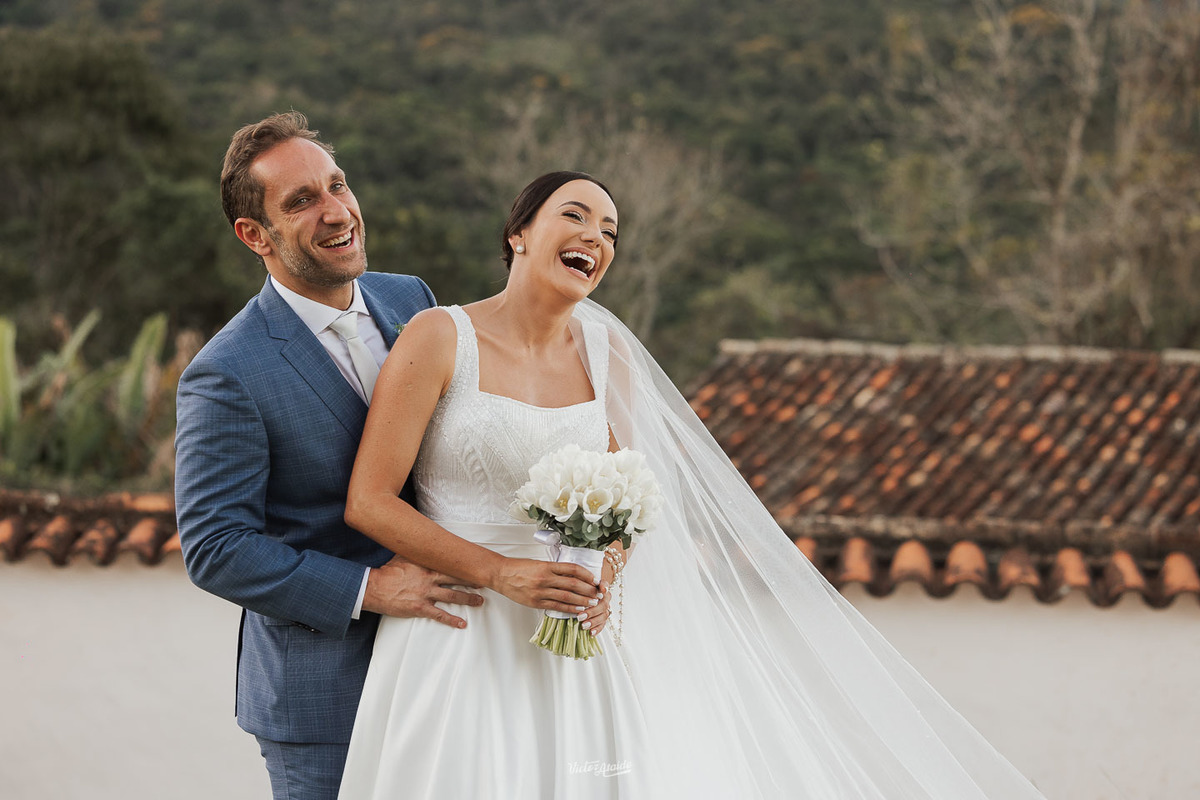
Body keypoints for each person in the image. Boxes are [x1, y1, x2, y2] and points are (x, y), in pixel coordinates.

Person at [336, 172, 1048, 798]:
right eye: (575, 215)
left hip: (572, 641)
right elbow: (369, 501)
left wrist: (604, 573)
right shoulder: (438, 336)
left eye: (610, 232)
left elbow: (624, 504)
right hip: (457, 630)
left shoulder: (608, 353)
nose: (595, 237)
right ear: (518, 234)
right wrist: (500, 572)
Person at [173, 114, 611, 799]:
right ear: (254, 235)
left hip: (462, 661)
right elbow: (215, 548)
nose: (336, 211)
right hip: (326, 688)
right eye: (301, 201)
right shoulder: (227, 372)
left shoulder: (410, 300)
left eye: (337, 185)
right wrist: (370, 589)